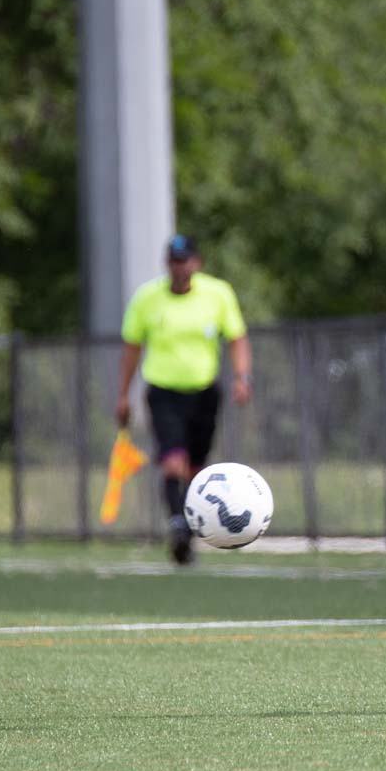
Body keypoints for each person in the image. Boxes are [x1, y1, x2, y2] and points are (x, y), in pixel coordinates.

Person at [116, 235, 252, 565]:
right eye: (174, 261)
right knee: (172, 462)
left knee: (195, 468)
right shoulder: (147, 299)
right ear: (167, 264)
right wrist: (123, 394)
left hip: (204, 392)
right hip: (163, 391)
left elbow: (236, 338)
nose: (180, 268)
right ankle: (177, 523)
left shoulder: (218, 294)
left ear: (197, 263)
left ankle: (187, 533)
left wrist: (241, 377)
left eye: (185, 260)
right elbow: (132, 348)